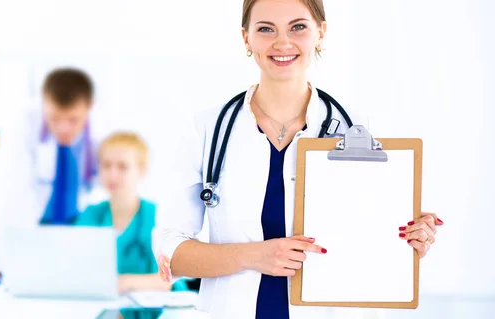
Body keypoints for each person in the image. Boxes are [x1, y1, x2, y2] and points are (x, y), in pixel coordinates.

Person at [154, 0, 444, 318]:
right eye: (265, 29)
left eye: (298, 27)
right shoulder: (208, 128)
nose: (282, 43)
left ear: (321, 33)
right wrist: (254, 256)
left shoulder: (359, 131)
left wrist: (410, 239)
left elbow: (369, 243)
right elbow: (171, 249)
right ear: (246, 38)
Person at [0, 67, 102, 281]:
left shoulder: (103, 131)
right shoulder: (23, 126)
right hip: (37, 231)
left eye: (73, 119)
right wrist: (0, 264)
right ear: (43, 105)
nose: (64, 128)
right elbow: (13, 198)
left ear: (89, 107)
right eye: (55, 118)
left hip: (83, 234)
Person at [74, 132, 188, 293]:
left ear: (141, 171)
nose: (112, 174)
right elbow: (73, 266)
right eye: (106, 165)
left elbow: (168, 279)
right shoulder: (91, 214)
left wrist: (125, 282)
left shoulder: (156, 216)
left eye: (122, 167)